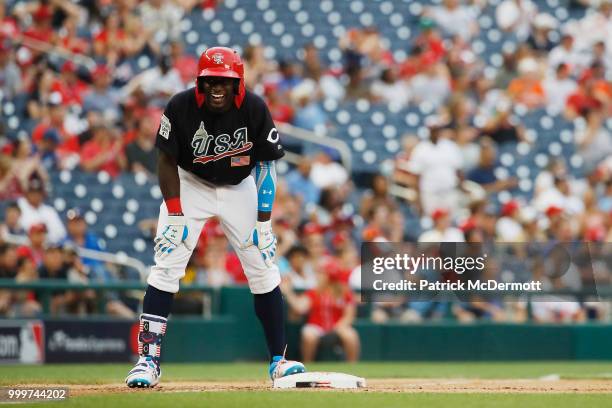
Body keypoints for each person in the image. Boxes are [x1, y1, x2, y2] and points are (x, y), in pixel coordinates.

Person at [125, 47, 305, 388]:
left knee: (264, 269)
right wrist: (175, 212)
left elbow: (266, 165)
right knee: (167, 265)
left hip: (240, 187)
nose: (217, 88)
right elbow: (165, 161)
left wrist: (264, 222)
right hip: (190, 183)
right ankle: (148, 361)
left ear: (238, 83)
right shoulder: (180, 106)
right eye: (210, 81)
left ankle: (278, 361)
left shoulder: (254, 107)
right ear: (200, 82)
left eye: (225, 81)